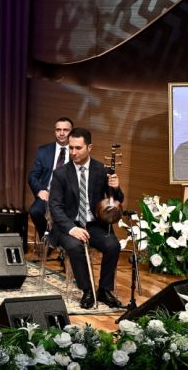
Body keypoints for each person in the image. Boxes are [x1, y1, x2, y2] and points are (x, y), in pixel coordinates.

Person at [49, 127, 124, 309]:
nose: (73, 152)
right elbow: (55, 207)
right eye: (71, 148)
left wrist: (116, 188)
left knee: (113, 245)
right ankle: (87, 290)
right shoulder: (61, 173)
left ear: (89, 148)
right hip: (68, 225)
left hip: (94, 224)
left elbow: (115, 201)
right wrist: (72, 228)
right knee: (75, 246)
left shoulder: (101, 170)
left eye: (78, 148)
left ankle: (104, 290)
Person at [28, 117, 74, 241]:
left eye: (65, 130)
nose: (61, 133)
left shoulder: (76, 151)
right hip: (48, 194)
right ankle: (48, 239)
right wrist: (40, 190)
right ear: (55, 131)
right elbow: (32, 176)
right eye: (58, 130)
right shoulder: (43, 151)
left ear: (71, 132)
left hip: (69, 197)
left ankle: (59, 240)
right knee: (35, 211)